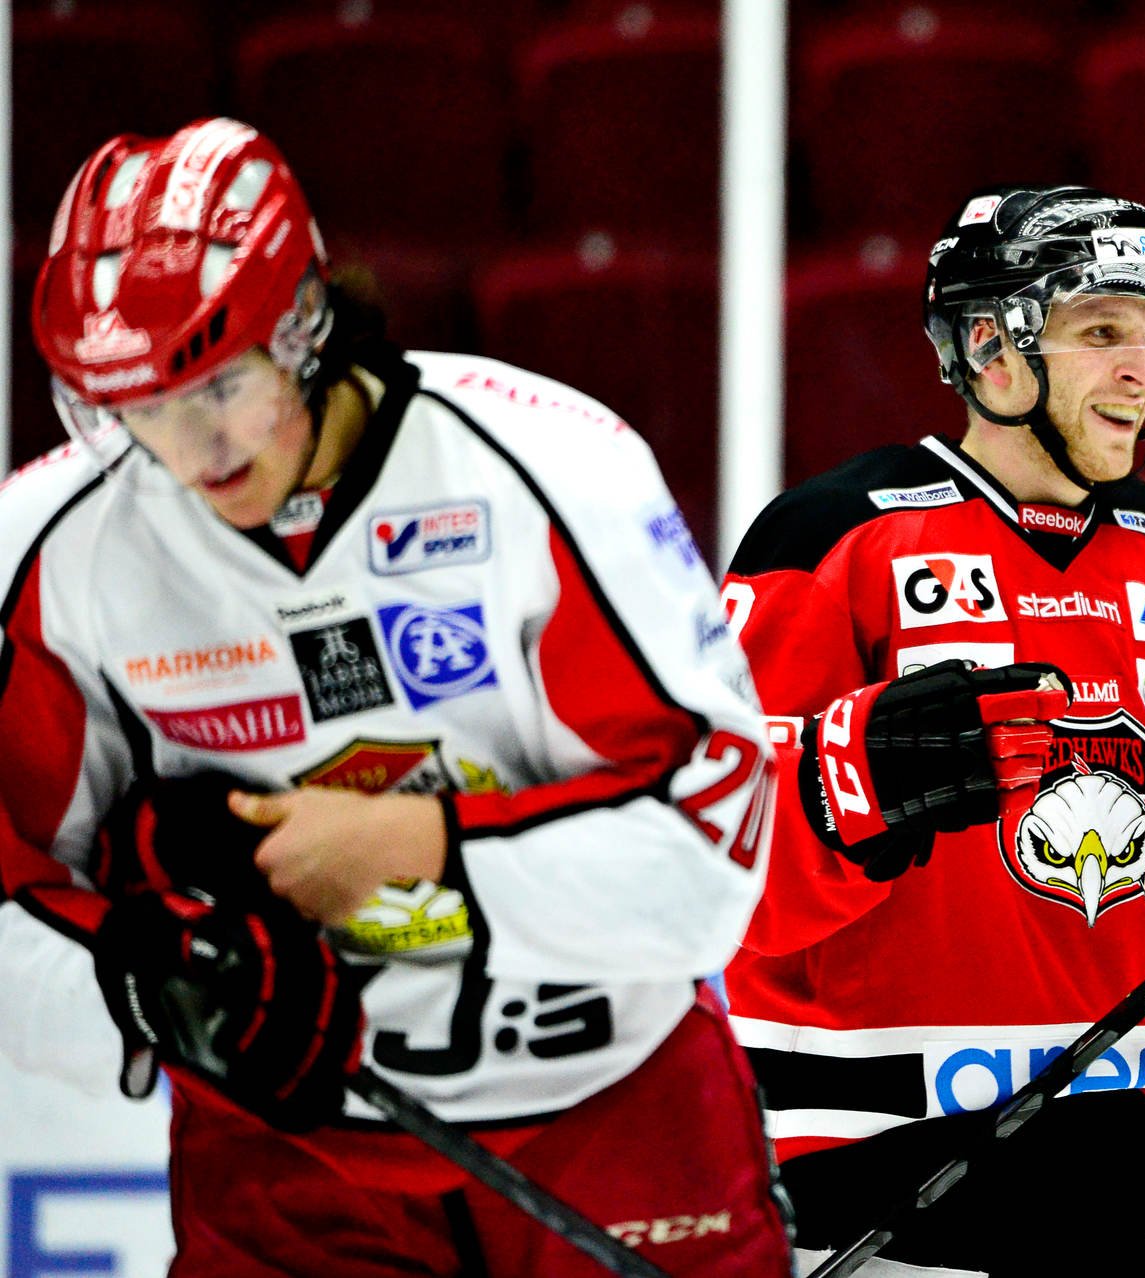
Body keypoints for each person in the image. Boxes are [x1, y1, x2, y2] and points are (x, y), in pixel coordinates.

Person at [6, 118, 791, 1276]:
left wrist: (419, 844)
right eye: (143, 412)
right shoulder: (55, 550)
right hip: (287, 1157)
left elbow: (715, 854)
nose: (197, 447)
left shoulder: (553, 469)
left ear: (303, 323)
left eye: (222, 385)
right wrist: (145, 978)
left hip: (614, 1111)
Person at [718, 184, 1145, 1276]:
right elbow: (711, 857)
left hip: (1135, 1157)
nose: (1140, 368)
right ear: (992, 347)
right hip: (872, 1152)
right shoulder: (830, 541)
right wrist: (849, 780)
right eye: (1101, 331)